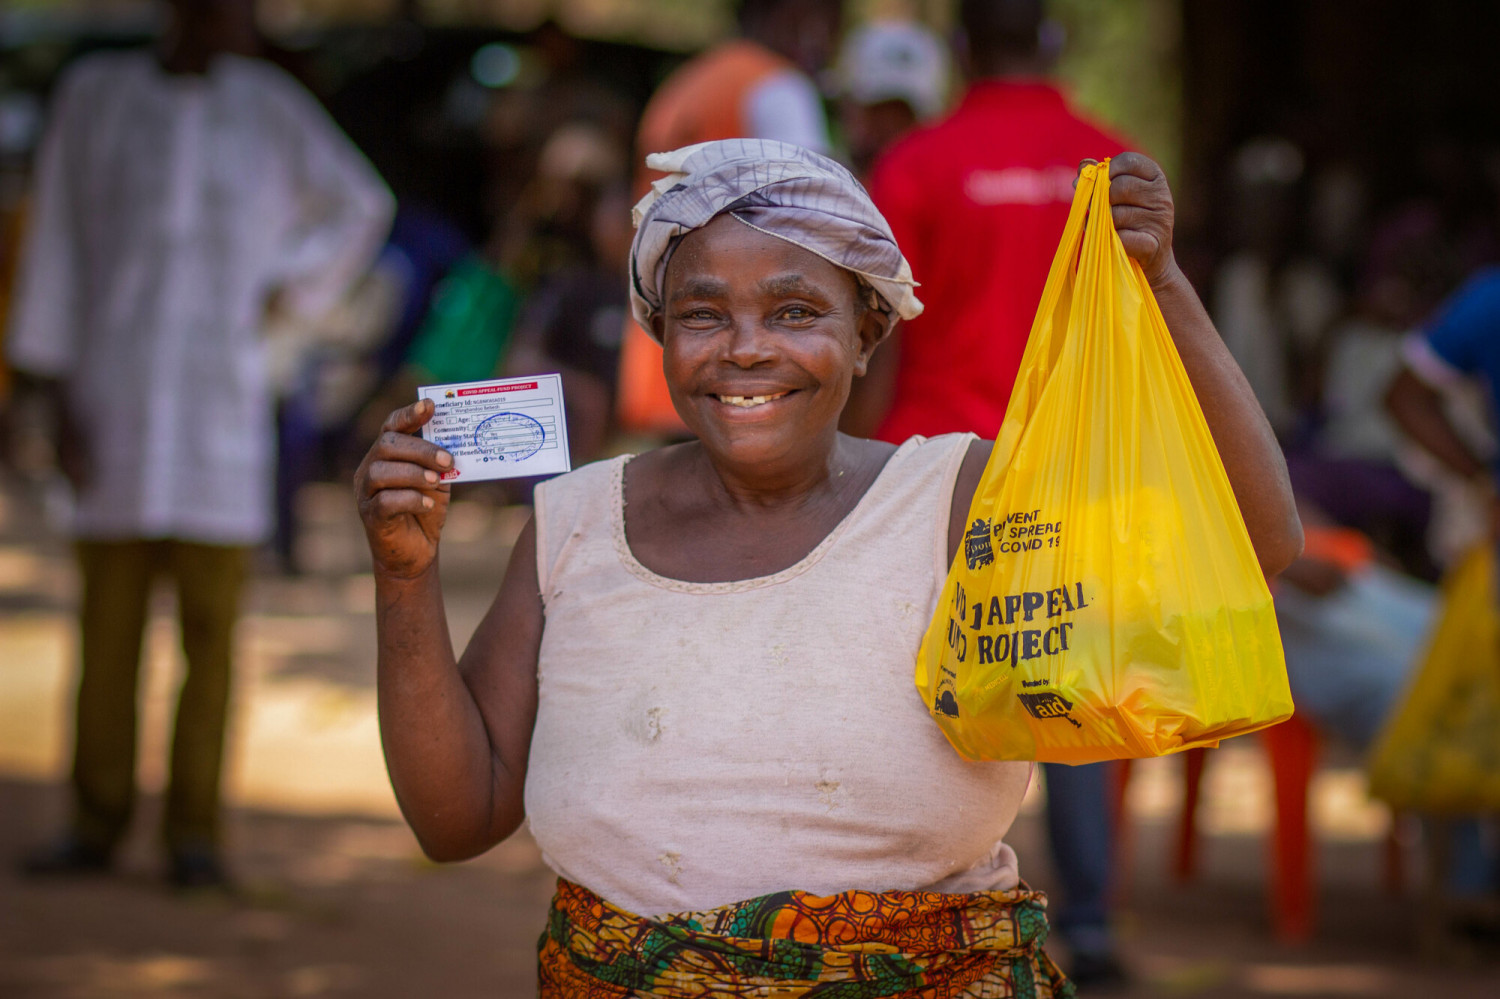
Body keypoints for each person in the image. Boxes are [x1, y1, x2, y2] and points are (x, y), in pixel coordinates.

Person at [355, 139, 1301, 995]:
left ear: (867, 333)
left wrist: (1163, 285)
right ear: (661, 336)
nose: (747, 348)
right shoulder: (575, 520)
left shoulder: (956, 500)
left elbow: (1253, 546)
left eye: (796, 310)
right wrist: (404, 578)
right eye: (702, 314)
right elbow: (458, 815)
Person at [9, 0, 392, 887]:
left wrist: (292, 295)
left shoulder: (268, 108)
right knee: (107, 625)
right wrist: (54, 389)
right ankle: (94, 818)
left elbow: (360, 203)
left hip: (221, 404)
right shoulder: (97, 97)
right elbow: (58, 239)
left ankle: (194, 830)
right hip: (113, 398)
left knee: (212, 631)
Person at [841, 0, 1129, 982]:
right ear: (1052, 42)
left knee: (919, 694)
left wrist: (843, 462)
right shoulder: (1111, 161)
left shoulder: (916, 164)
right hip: (1073, 470)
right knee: (1072, 694)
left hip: (931, 467)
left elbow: (880, 334)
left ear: (959, 48)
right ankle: (1089, 923)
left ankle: (905, 912)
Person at [618, 0, 843, 438]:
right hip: (745, 347)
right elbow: (819, 210)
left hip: (673, 332)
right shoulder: (777, 85)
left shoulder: (685, 84)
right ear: (796, 15)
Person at [833, 19, 951, 179]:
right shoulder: (823, 181)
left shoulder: (947, 182)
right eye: (878, 110)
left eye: (904, 115)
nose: (890, 127)